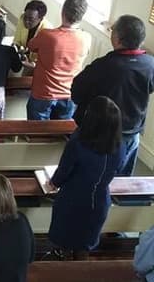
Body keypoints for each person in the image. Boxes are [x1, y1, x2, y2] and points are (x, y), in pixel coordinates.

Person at [71, 14, 154, 176]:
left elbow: (77, 92)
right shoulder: (150, 64)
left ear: (117, 37)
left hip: (100, 136)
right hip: (132, 133)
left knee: (94, 178)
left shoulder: (103, 66)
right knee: (121, 182)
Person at [47, 96, 123, 259]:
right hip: (100, 202)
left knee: (64, 244)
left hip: (72, 201)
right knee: (84, 247)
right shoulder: (119, 146)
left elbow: (63, 171)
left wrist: (53, 182)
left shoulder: (78, 142)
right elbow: (118, 168)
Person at [27, 0, 91, 120]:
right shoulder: (86, 38)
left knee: (36, 136)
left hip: (43, 94)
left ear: (63, 12)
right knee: (59, 136)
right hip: (69, 94)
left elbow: (31, 46)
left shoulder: (47, 35)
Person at [13, 0, 49, 64]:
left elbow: (41, 59)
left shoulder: (47, 31)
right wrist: (16, 48)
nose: (26, 21)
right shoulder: (22, 18)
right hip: (24, 57)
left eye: (31, 19)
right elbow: (17, 41)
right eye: (25, 17)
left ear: (40, 19)